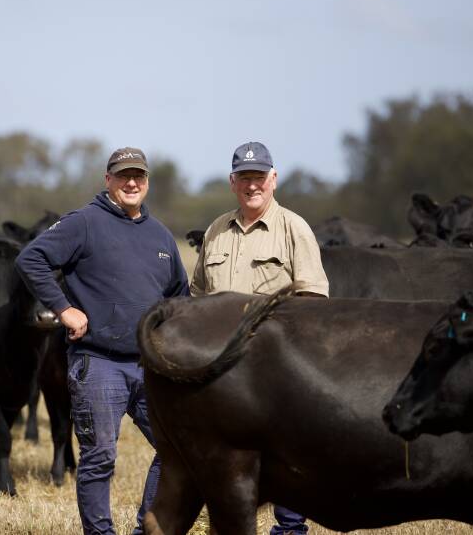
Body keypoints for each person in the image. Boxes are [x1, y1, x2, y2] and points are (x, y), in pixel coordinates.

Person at [16, 146, 189, 535]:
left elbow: (180, 296)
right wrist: (63, 308)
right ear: (107, 179)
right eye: (123, 175)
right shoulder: (84, 223)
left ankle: (148, 529)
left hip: (151, 364)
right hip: (99, 362)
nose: (132, 182)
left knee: (178, 448)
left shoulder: (160, 235)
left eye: (139, 176)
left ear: (147, 182)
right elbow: (31, 259)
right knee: (99, 457)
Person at [189, 141, 329, 535]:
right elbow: (197, 296)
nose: (253, 186)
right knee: (224, 451)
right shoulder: (216, 230)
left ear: (274, 179)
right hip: (221, 366)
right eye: (245, 178)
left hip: (275, 364)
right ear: (233, 182)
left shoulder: (293, 227)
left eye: (259, 177)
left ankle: (290, 528)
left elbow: (314, 298)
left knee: (283, 449)